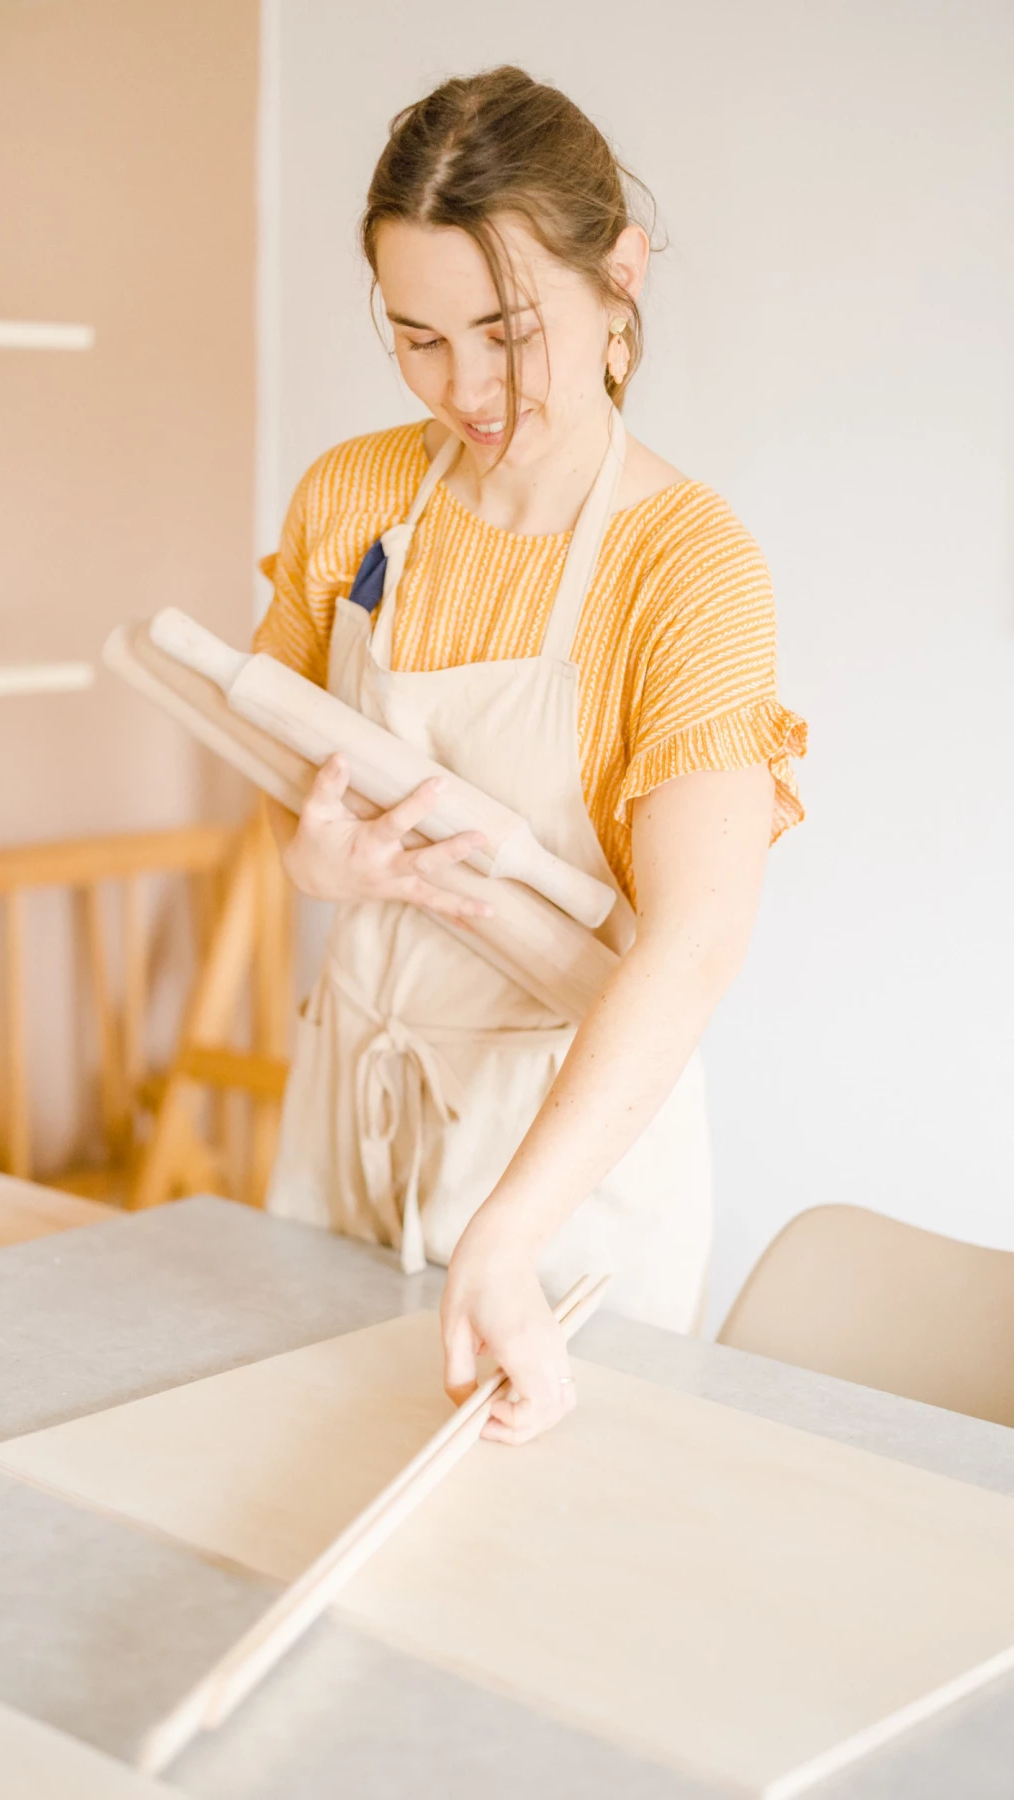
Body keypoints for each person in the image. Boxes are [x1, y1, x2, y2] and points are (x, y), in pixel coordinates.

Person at [254, 66, 807, 1446]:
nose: (468, 390)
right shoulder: (357, 497)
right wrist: (309, 855)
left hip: (562, 1166)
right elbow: (279, 765)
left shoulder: (685, 568)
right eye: (418, 338)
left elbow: (694, 945)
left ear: (617, 278)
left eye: (507, 332)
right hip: (349, 1110)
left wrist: (509, 1233)